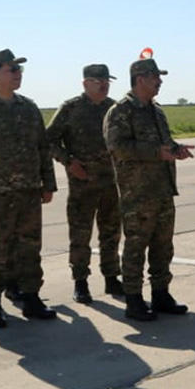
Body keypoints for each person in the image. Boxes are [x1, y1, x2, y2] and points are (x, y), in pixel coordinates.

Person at [0, 49, 59, 329]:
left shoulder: (28, 107)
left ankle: (31, 298)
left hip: (28, 192)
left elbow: (42, 147)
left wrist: (47, 183)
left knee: (29, 247)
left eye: (19, 69)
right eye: (11, 69)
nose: (17, 74)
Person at [104, 54, 194, 321]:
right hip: (138, 194)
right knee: (136, 247)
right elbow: (118, 148)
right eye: (155, 77)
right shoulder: (120, 111)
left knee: (163, 246)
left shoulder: (156, 110)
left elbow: (163, 142)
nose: (159, 82)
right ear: (140, 79)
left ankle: (161, 294)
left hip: (163, 191)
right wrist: (158, 153)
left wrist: (175, 150)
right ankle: (133, 299)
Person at [46, 64, 125, 304]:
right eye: (97, 80)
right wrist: (68, 162)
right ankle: (80, 282)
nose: (103, 84)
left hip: (112, 184)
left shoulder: (115, 108)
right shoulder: (70, 109)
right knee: (80, 235)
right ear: (85, 84)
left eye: (106, 81)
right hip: (83, 185)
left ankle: (111, 277)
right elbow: (48, 141)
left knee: (111, 233)